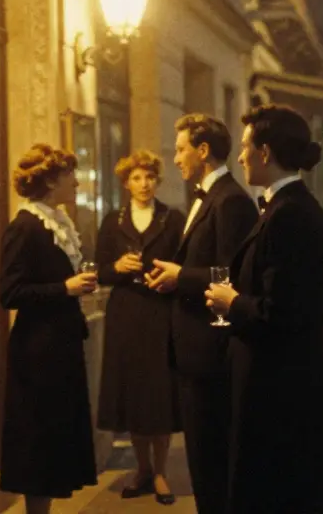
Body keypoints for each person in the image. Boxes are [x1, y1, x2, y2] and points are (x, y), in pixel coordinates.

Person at [199, 104, 323, 514]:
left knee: (275, 497)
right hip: (277, 382)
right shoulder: (282, 207)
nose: (239, 156)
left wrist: (231, 301)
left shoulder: (289, 214)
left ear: (264, 152)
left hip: (281, 388)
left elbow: (284, 312)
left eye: (244, 147)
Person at [148, 114, 257, 514]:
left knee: (213, 463)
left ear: (203, 151)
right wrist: (173, 279)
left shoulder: (230, 200)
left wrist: (182, 276)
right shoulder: (207, 197)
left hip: (212, 353)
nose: (176, 158)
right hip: (194, 351)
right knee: (202, 461)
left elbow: (231, 274)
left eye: (180, 149)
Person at [0, 144, 99, 514]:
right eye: (69, 175)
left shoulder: (57, 221)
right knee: (36, 444)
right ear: (49, 180)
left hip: (60, 347)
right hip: (36, 353)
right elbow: (10, 292)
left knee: (53, 443)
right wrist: (65, 288)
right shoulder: (25, 226)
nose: (75, 181)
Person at [95, 149, 186, 506]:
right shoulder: (112, 221)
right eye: (136, 177)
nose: (144, 184)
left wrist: (170, 280)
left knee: (159, 393)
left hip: (160, 311)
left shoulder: (172, 218)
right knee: (134, 394)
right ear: (125, 183)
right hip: (126, 314)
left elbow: (184, 264)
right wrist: (116, 266)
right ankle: (142, 468)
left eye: (149, 177)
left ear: (157, 181)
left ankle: (161, 472)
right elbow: (99, 270)